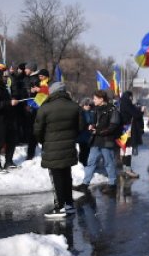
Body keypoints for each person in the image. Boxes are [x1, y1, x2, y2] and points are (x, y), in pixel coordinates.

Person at [34, 81, 85, 218]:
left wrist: (42, 141)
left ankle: (59, 206)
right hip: (69, 146)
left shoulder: (45, 108)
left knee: (56, 178)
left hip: (51, 146)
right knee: (66, 176)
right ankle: (69, 204)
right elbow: (81, 127)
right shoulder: (75, 107)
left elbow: (38, 130)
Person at [76, 89, 120, 196]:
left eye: (95, 99)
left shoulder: (112, 109)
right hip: (96, 140)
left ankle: (113, 185)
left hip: (107, 140)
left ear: (101, 99)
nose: (93, 101)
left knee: (108, 163)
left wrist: (99, 131)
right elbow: (95, 123)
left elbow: (114, 126)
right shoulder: (96, 109)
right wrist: (92, 126)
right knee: (91, 161)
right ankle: (85, 184)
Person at [117, 91, 143, 179]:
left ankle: (124, 168)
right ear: (129, 97)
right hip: (128, 129)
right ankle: (128, 169)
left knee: (123, 148)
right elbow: (136, 114)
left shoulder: (121, 103)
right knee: (128, 149)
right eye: (131, 97)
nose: (132, 98)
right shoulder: (127, 104)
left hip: (122, 129)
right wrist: (140, 111)